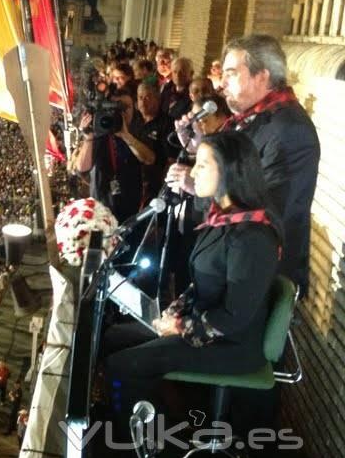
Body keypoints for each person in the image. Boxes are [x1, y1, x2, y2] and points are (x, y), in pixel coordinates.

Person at [104, 131, 282, 435]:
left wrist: (180, 328)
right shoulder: (222, 218)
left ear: (228, 170)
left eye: (202, 164)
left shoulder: (252, 237)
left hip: (231, 346)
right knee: (112, 337)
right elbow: (200, 283)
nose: (192, 171)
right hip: (205, 326)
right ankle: (156, 418)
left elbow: (233, 319)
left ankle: (147, 447)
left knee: (124, 365)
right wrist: (174, 312)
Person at [167, 34, 320, 297]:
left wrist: (198, 186)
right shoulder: (253, 119)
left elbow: (267, 210)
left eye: (231, 74)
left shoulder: (289, 130)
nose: (221, 84)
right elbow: (237, 173)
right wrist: (199, 148)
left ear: (262, 76)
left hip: (256, 280)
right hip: (232, 263)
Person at [75, 90, 156, 222]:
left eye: (125, 107)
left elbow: (149, 159)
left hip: (132, 207)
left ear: (133, 108)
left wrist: (126, 136)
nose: (121, 112)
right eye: (115, 107)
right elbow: (82, 167)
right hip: (102, 208)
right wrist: (88, 136)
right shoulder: (97, 132)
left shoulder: (138, 131)